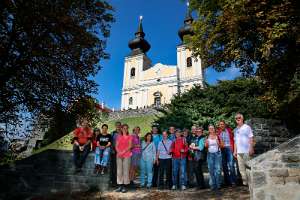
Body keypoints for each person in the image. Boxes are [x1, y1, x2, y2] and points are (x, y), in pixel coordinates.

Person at [233, 113, 254, 186]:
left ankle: (251, 182)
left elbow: (251, 138)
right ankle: (246, 183)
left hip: (246, 151)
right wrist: (234, 151)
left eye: (239, 118)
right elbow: (235, 141)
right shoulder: (235, 130)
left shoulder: (247, 127)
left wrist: (251, 148)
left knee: (248, 167)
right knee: (241, 169)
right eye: (236, 118)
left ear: (242, 119)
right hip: (239, 152)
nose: (237, 119)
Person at [217, 120, 236, 186]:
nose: (221, 125)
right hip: (222, 149)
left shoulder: (229, 130)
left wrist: (234, 149)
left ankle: (233, 181)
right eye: (220, 124)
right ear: (219, 126)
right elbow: (217, 142)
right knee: (224, 166)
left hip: (229, 148)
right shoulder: (218, 132)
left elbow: (234, 139)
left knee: (231, 165)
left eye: (222, 124)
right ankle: (227, 181)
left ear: (225, 125)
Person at [115, 124, 132, 193]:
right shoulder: (118, 136)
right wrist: (119, 152)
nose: (125, 129)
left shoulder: (129, 136)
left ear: (127, 129)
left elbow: (130, 145)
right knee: (119, 171)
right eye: (124, 128)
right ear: (121, 129)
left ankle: (125, 186)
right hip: (119, 155)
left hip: (127, 155)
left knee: (125, 171)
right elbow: (116, 146)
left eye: (126, 128)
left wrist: (123, 152)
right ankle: (120, 186)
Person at [205, 125, 223, 192]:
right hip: (210, 155)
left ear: (214, 129)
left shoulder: (218, 136)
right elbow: (205, 146)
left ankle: (218, 184)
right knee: (211, 170)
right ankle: (212, 185)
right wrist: (206, 144)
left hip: (217, 154)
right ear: (208, 129)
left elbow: (222, 145)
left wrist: (219, 144)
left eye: (212, 128)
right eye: (210, 128)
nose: (211, 129)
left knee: (218, 170)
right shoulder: (207, 137)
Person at [110, 121, 122, 187]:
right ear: (115, 126)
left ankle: (120, 181)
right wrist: (112, 150)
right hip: (114, 151)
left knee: (120, 167)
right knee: (114, 167)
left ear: (121, 126)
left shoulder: (123, 133)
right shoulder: (112, 133)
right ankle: (114, 181)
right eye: (117, 125)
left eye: (119, 125)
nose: (118, 126)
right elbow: (111, 142)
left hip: (122, 151)